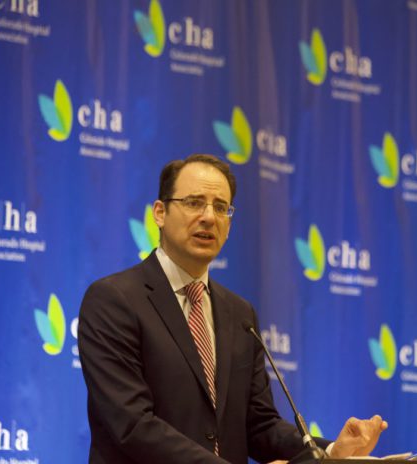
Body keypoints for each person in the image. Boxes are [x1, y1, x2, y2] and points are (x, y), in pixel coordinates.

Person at [78, 154, 387, 463]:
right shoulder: (114, 300)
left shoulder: (239, 314)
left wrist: (332, 452)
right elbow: (132, 425)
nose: (209, 217)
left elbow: (259, 426)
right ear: (160, 212)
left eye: (221, 207)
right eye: (194, 203)